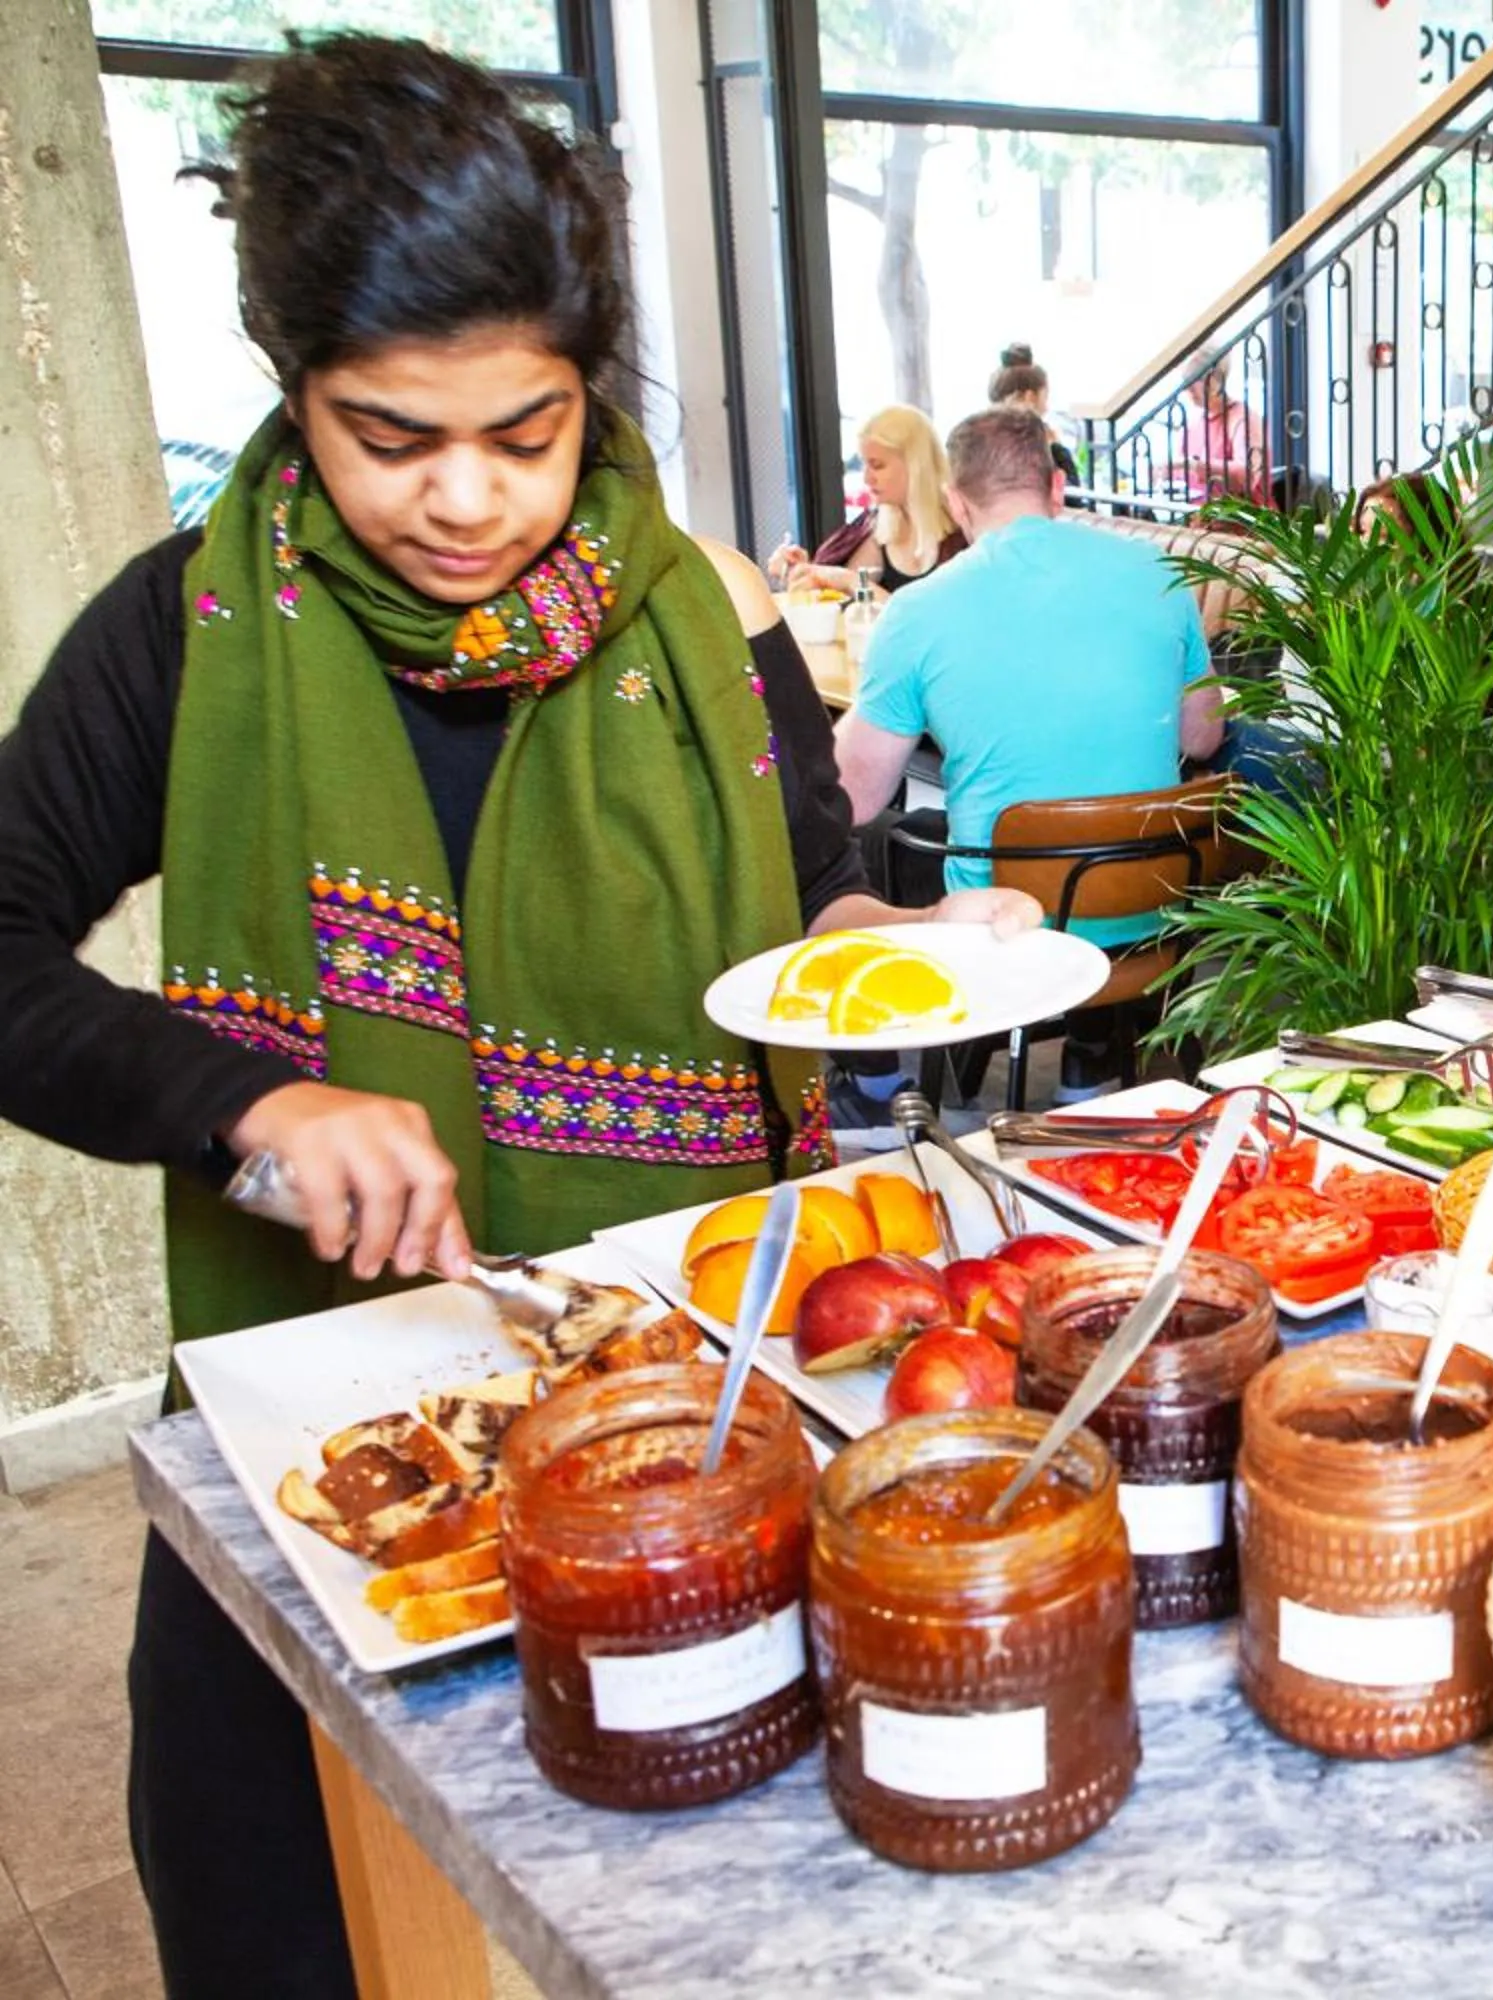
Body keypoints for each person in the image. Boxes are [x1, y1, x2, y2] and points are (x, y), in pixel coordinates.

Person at [0, 38, 1039, 1995]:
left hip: (692, 1391)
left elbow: (810, 903)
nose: (467, 499)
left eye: (528, 429)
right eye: (391, 437)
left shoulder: (713, 615)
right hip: (331, 1408)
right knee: (271, 1889)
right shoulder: (192, 632)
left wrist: (917, 942)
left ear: (586, 384)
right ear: (295, 387)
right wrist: (247, 1104)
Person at [834, 406, 1224, 1094]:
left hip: (1009, 925)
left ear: (956, 502)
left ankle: (874, 1087)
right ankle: (1092, 1052)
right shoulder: (1161, 573)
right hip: (1152, 908)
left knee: (871, 840)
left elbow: (854, 797)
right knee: (1092, 818)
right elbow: (1204, 737)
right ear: (1056, 488)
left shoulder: (918, 610)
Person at [766, 403, 965, 598]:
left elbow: (932, 615)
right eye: (865, 465)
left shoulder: (964, 534)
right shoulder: (875, 527)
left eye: (877, 466)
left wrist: (848, 580)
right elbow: (836, 593)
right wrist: (800, 571)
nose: (867, 479)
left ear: (915, 465)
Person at [1165, 357, 1259, 503]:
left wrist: (1195, 465)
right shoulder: (1193, 424)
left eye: (1194, 379)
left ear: (1215, 380)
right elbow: (1179, 476)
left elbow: (1248, 476)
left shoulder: (1242, 419)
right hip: (1195, 512)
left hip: (1236, 514)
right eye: (1185, 380)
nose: (1187, 388)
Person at [987, 361, 1082, 489]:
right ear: (1030, 397)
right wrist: (1057, 449)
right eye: (1045, 397)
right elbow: (1069, 493)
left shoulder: (981, 441)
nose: (1047, 407)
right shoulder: (1032, 443)